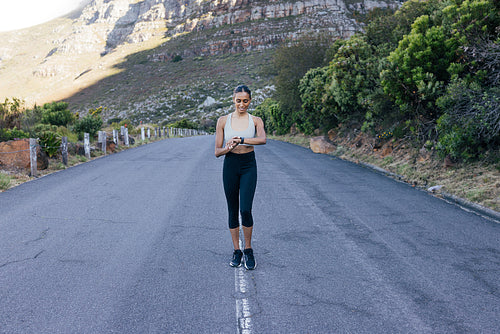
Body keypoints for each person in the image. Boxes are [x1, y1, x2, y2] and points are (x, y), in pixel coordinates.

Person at [215, 85, 266, 270]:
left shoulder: (255, 120)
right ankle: (237, 250)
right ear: (233, 100)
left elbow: (262, 139)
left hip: (248, 165)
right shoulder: (223, 121)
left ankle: (249, 249)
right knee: (232, 209)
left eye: (245, 101)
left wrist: (241, 140)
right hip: (230, 164)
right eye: (239, 101)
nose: (242, 104)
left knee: (245, 209)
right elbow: (217, 152)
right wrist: (229, 147)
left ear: (250, 101)